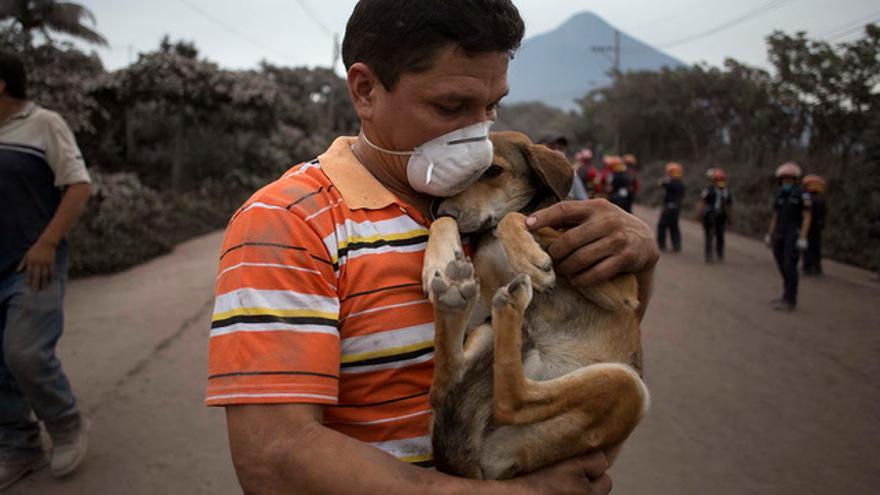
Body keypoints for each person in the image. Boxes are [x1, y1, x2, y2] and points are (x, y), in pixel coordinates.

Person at [206, 1, 659, 493]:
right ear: (365, 91)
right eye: (450, 107)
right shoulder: (291, 224)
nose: (477, 135)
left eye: (491, 107)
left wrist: (636, 258)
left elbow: (592, 336)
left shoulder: (501, 202)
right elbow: (274, 460)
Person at [0, 51, 92, 489]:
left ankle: (66, 423)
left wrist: (46, 243)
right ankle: (19, 446)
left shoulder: (44, 124)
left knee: (24, 352)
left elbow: (78, 184)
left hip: (31, 262)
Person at [765, 162, 812, 312]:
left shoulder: (802, 195)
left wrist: (803, 237)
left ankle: (791, 300)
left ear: (795, 180)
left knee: (790, 265)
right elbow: (775, 215)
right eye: (784, 179)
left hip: (794, 232)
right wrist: (769, 233)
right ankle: (786, 294)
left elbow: (807, 217)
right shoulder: (780, 194)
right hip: (780, 231)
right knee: (780, 262)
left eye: (789, 179)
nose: (786, 182)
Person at [696, 168, 733, 263]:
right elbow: (702, 202)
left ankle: (720, 253)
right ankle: (709, 255)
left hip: (721, 216)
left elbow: (729, 206)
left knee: (720, 235)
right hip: (709, 215)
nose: (720, 182)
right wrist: (699, 213)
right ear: (713, 180)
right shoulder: (708, 190)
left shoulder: (726, 192)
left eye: (721, 180)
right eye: (718, 180)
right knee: (709, 235)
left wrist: (730, 218)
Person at [656, 162, 685, 252]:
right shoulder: (681, 184)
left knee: (662, 226)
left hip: (669, 207)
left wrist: (667, 178)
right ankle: (676, 245)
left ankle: (662, 245)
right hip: (676, 208)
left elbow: (660, 182)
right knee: (674, 226)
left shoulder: (671, 183)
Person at [801, 174, 826, 276]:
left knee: (807, 246)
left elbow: (805, 213)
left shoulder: (807, 198)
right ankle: (817, 267)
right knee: (816, 246)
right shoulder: (822, 199)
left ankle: (807, 267)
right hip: (818, 226)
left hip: (809, 226)